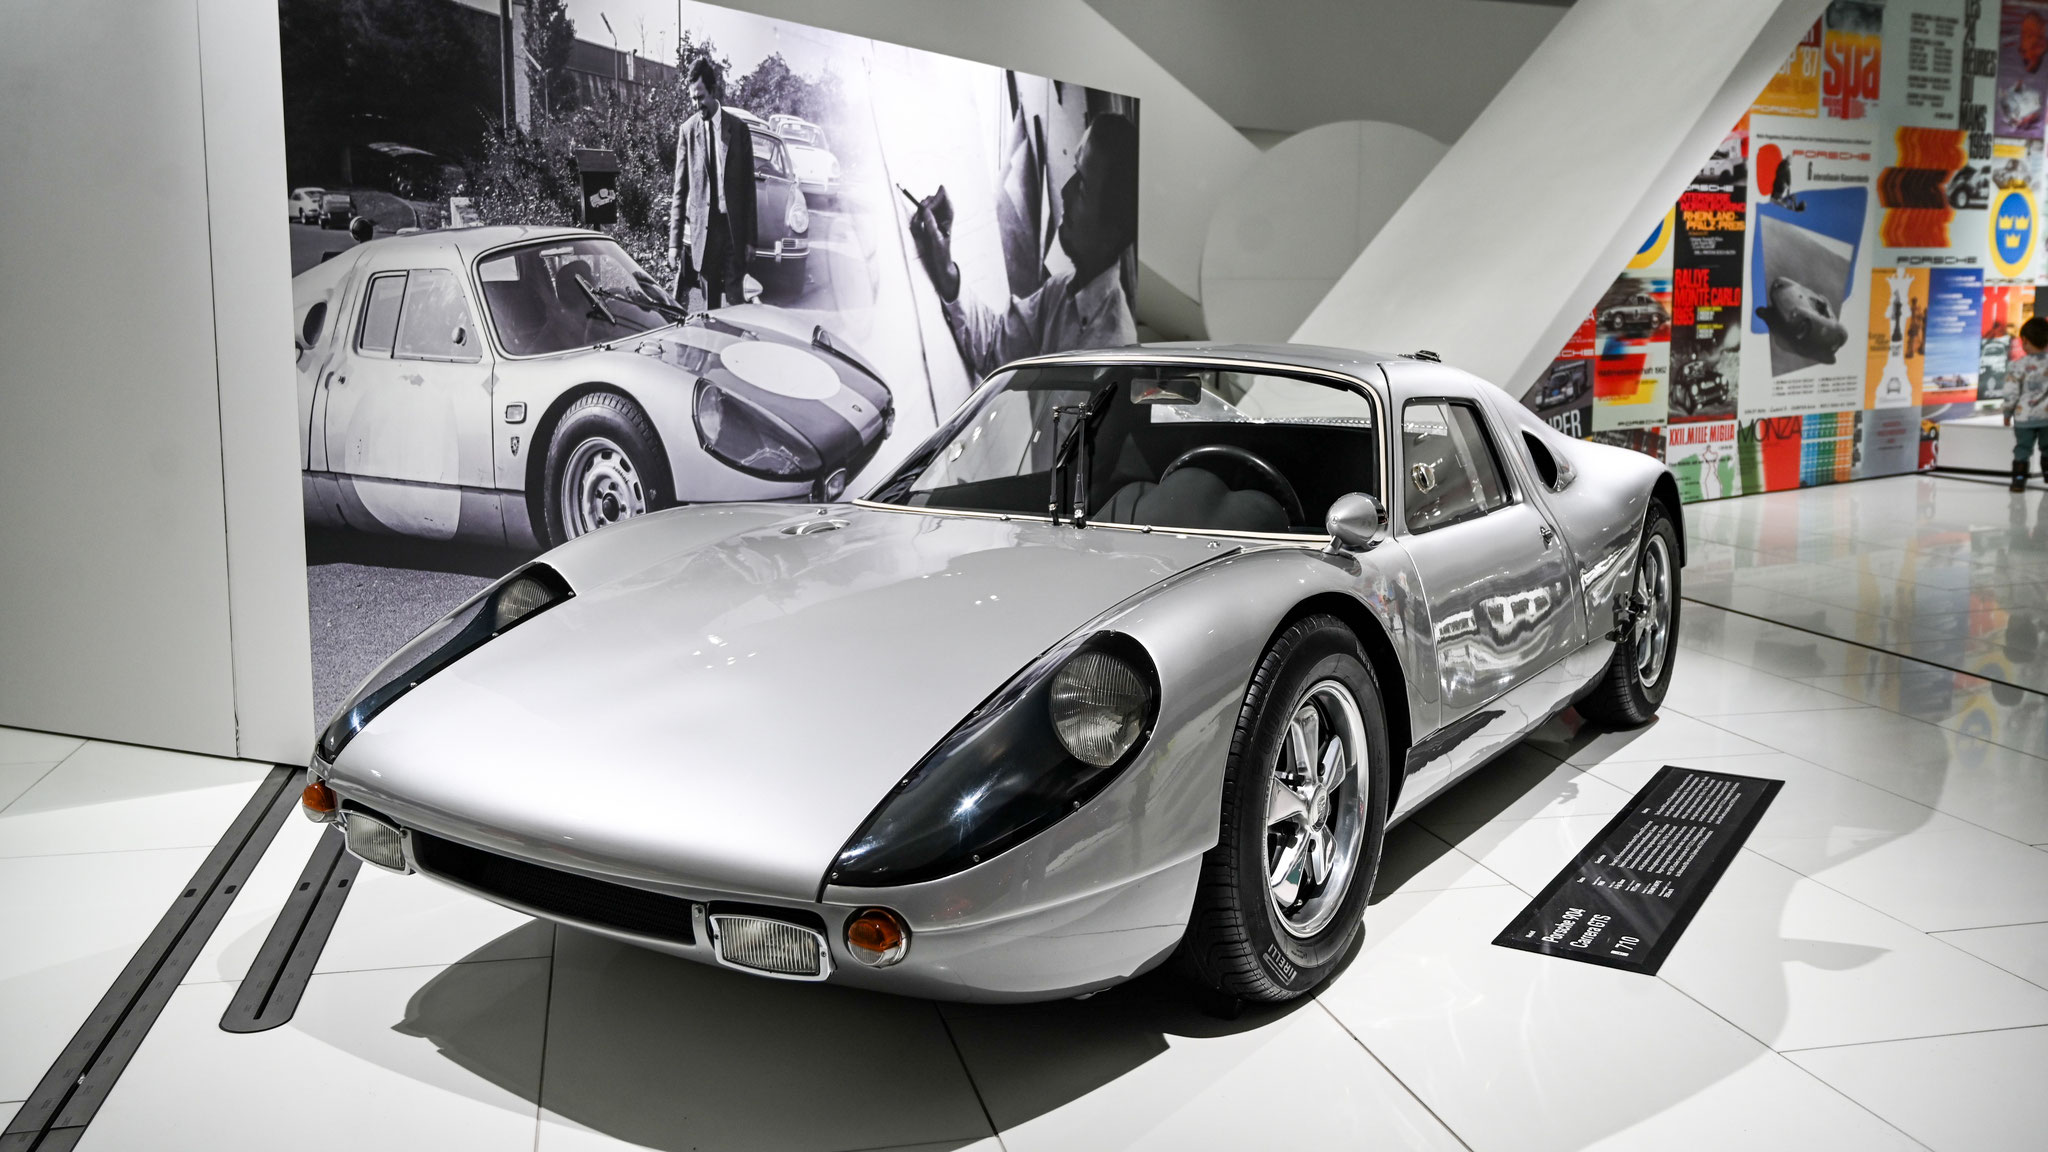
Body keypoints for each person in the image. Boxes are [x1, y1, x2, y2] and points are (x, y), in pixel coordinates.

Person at [907, 112, 1138, 379]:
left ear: (1112, 232)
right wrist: (946, 271)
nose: (1065, 192)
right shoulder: (1062, 291)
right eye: (1076, 170)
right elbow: (996, 347)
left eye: (1083, 187)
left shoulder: (1114, 359)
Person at [667, 56, 756, 310]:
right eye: (693, 98)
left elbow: (749, 189)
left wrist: (751, 238)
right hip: (704, 234)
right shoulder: (687, 131)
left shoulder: (739, 131)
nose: (697, 104)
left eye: (701, 96)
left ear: (713, 91)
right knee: (710, 308)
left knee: (737, 303)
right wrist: (674, 243)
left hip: (732, 232)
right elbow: (679, 191)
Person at [2004, 315, 2048, 491]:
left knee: (2022, 449)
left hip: (2024, 418)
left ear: (2024, 341)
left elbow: (2011, 392)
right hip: (2047, 417)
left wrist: (2007, 412)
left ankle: (2019, 480)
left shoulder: (2017, 365)